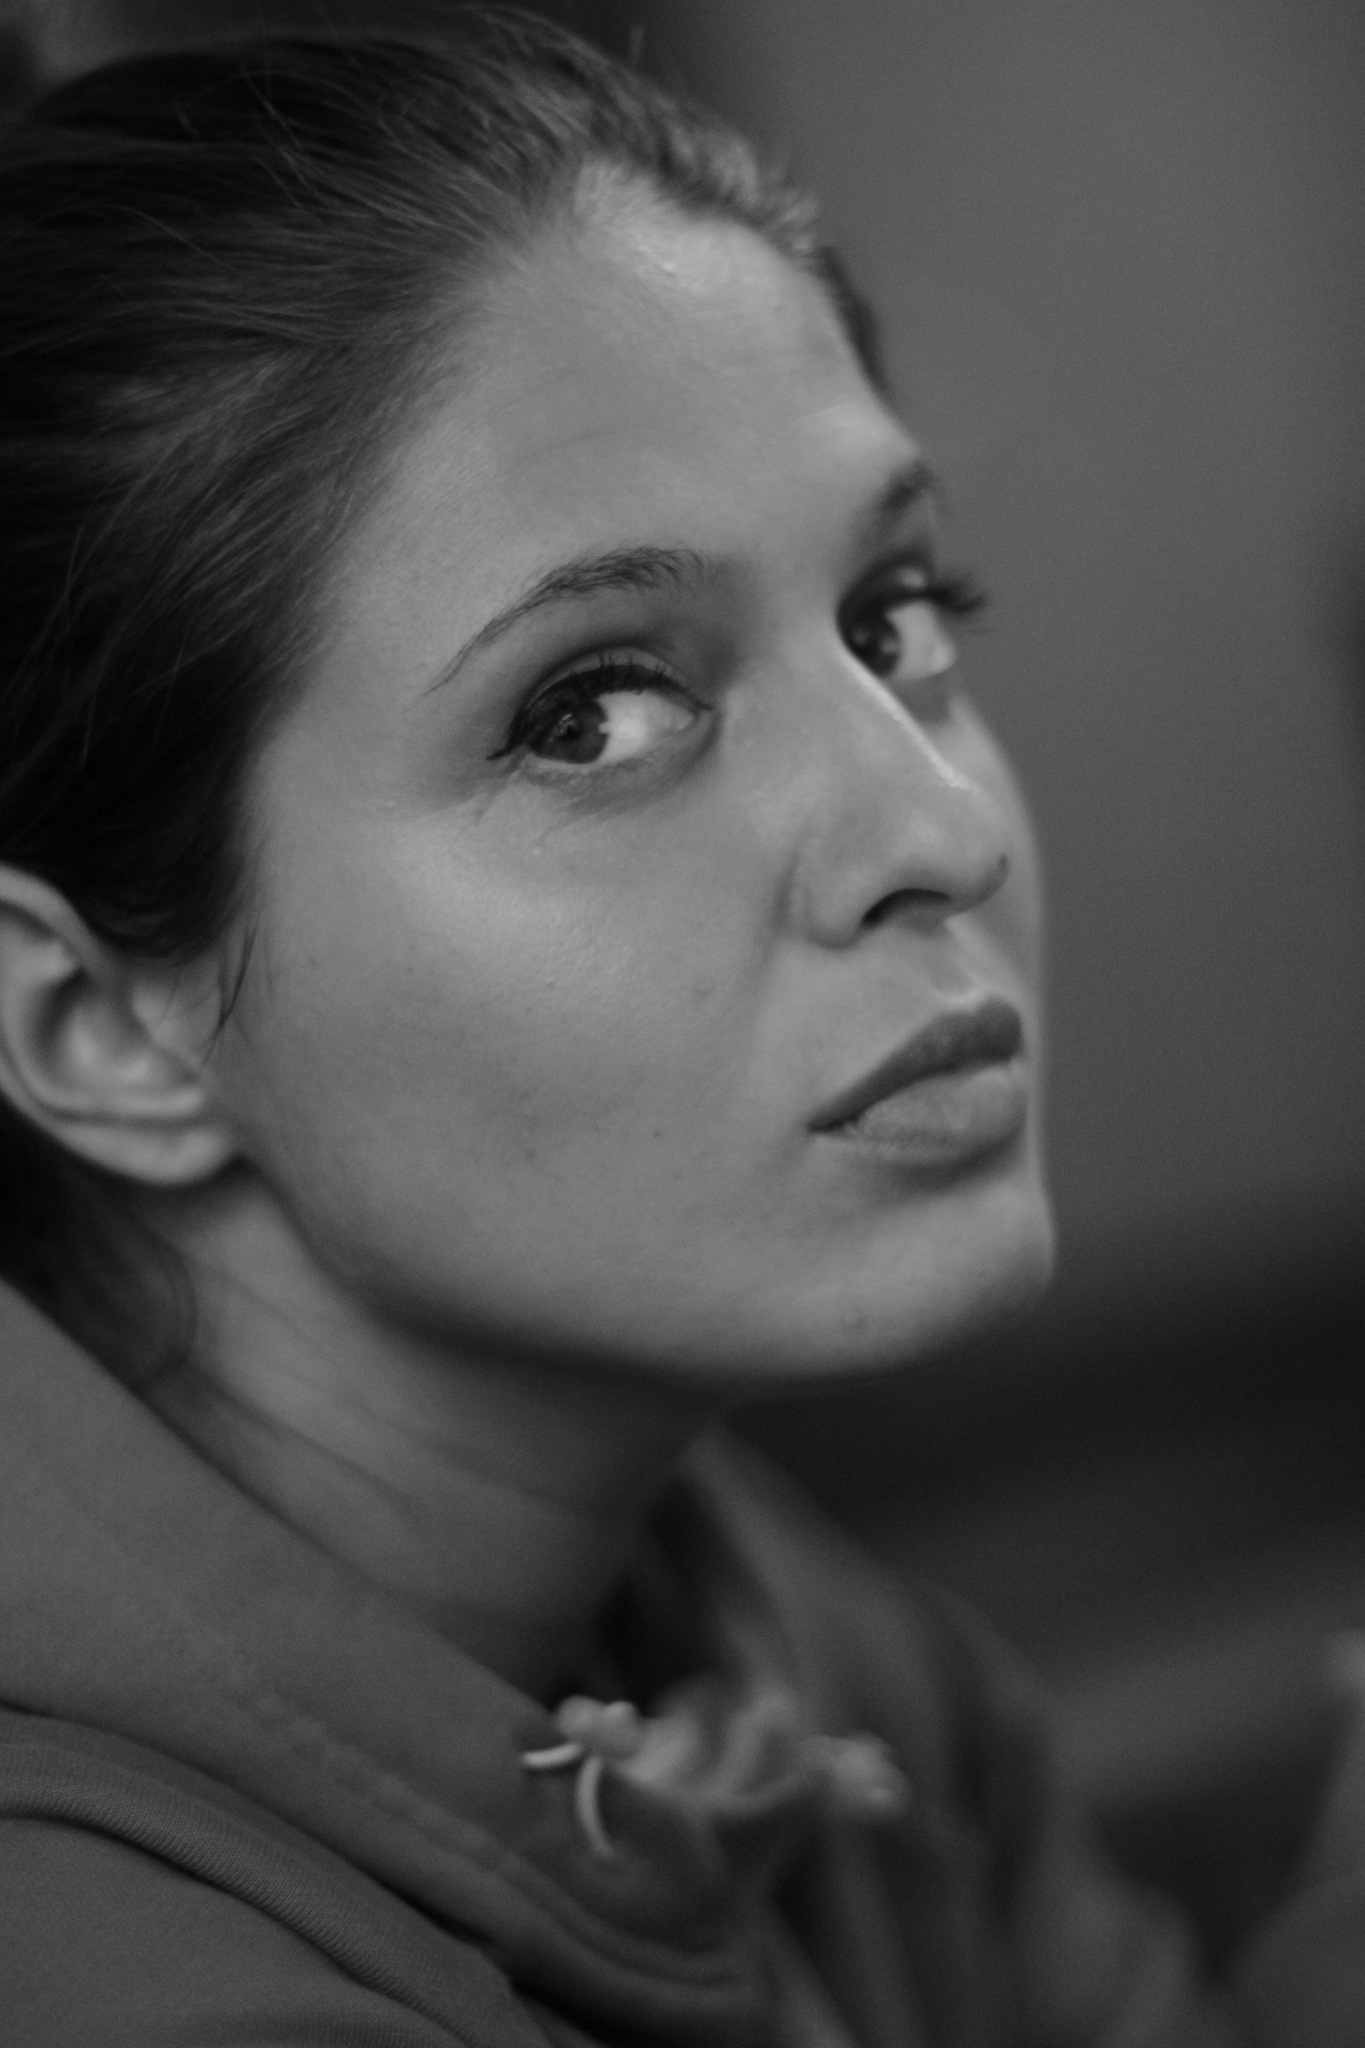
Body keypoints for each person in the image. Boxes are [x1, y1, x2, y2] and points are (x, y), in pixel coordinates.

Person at [0, 12, 1241, 2043]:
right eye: (589, 713)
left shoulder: (774, 1631)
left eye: (893, 617)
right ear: (96, 1028)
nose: (936, 830)